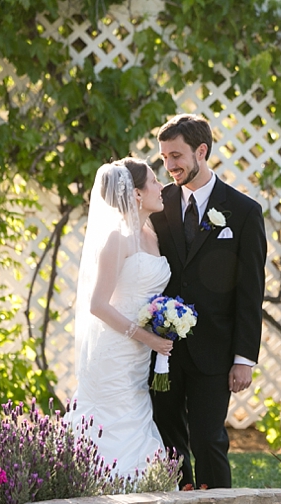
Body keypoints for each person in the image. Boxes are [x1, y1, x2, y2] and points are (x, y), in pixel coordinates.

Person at [150, 113, 267, 489]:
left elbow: (251, 291)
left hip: (215, 351)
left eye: (177, 156)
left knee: (209, 439)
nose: (170, 166)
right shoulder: (157, 204)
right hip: (163, 351)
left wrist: (244, 359)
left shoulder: (243, 211)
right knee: (169, 442)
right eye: (164, 157)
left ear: (201, 151)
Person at [70, 157, 174, 479]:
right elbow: (98, 305)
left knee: (137, 420)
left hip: (138, 357)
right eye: (154, 181)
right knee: (110, 427)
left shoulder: (152, 235)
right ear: (138, 194)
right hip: (115, 351)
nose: (161, 187)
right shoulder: (117, 239)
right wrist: (148, 338)